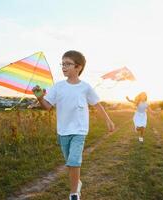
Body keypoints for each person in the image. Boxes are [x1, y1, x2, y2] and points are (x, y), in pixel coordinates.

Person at [32, 50, 115, 200]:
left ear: (78, 67)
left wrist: (108, 120)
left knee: (74, 161)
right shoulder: (58, 87)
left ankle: (73, 193)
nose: (63, 67)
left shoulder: (85, 87)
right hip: (63, 131)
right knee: (70, 164)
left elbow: (97, 105)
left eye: (67, 64)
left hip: (79, 130)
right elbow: (47, 106)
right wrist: (39, 98)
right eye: (62, 64)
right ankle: (77, 183)